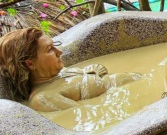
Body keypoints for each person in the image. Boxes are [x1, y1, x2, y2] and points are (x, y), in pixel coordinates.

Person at [0, 27, 140, 112]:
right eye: (50, 49)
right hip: (134, 98)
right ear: (30, 63)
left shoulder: (61, 73)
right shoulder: (43, 99)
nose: (59, 51)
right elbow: (86, 112)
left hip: (135, 86)